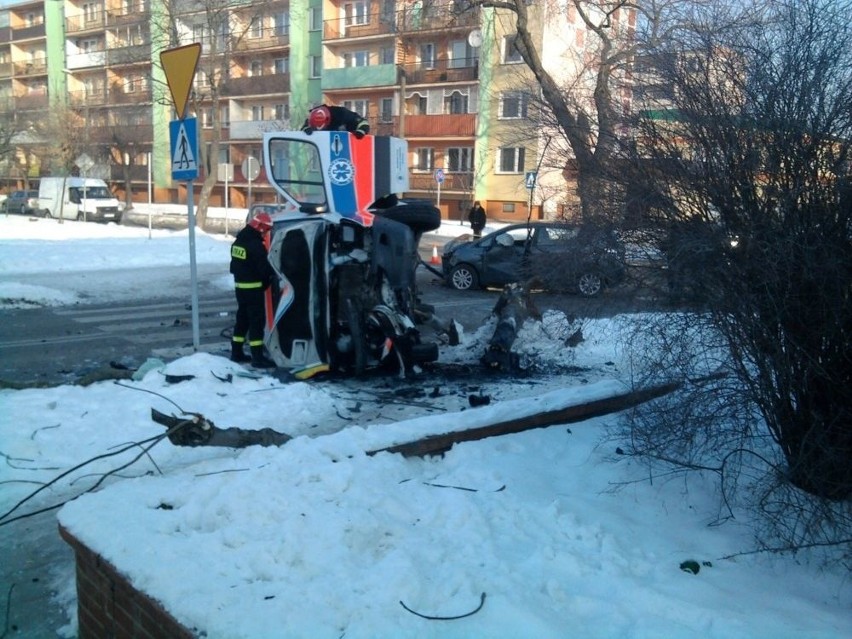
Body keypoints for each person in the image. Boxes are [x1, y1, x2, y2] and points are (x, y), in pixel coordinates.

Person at [230, 212, 277, 368]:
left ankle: (236, 352)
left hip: (240, 289)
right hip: (253, 289)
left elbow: (236, 266)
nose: (266, 233)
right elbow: (264, 269)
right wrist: (269, 279)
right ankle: (258, 358)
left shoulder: (238, 242)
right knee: (256, 322)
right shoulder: (256, 245)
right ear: (260, 227)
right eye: (266, 229)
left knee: (242, 320)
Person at [301, 104, 370, 139]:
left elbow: (363, 123)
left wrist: (361, 131)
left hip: (349, 146)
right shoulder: (314, 117)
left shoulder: (342, 114)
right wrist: (305, 129)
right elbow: (304, 128)